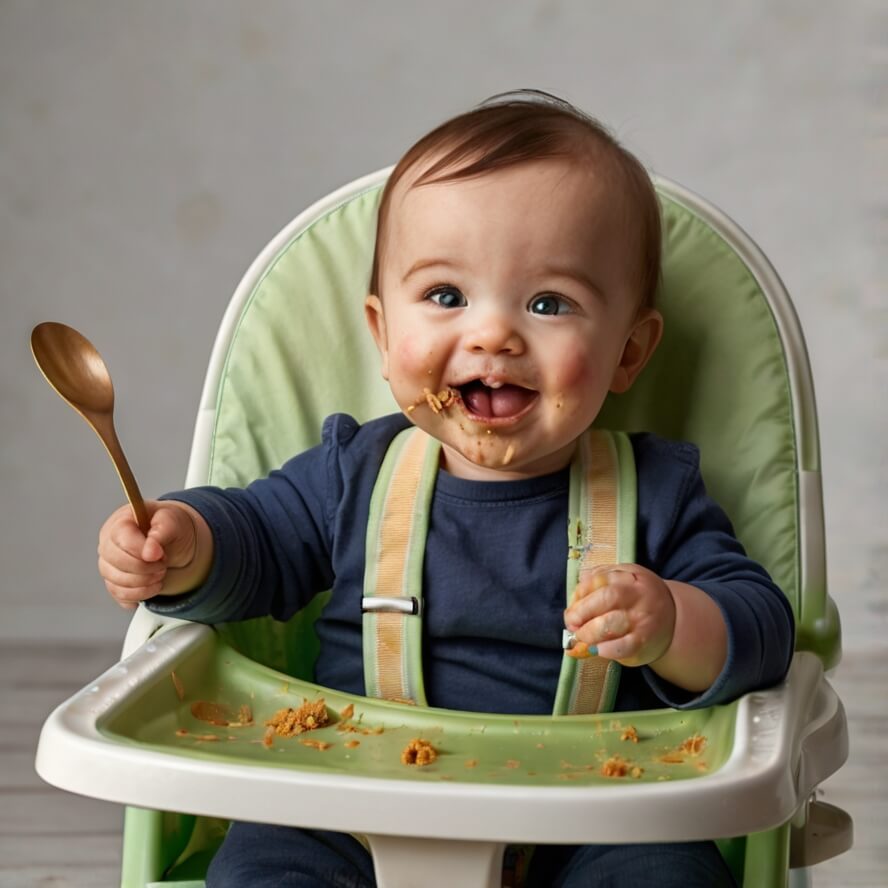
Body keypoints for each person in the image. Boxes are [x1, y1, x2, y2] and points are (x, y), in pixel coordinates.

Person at [97, 91, 795, 887]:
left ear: (629, 352)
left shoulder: (657, 491)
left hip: (595, 814)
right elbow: (253, 544)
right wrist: (184, 544)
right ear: (384, 336)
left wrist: (673, 623)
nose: (492, 333)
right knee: (267, 863)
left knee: (667, 873)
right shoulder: (354, 472)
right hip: (353, 802)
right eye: (445, 296)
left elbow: (762, 627)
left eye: (548, 303)